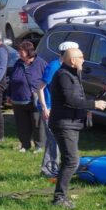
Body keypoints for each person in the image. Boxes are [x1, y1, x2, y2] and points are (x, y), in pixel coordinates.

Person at [49, 48, 106, 208]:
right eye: (81, 57)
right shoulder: (63, 75)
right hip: (64, 123)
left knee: (69, 160)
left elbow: (77, 97)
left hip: (70, 122)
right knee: (71, 161)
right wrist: (94, 104)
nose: (84, 60)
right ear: (72, 60)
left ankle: (60, 196)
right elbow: (70, 100)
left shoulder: (72, 74)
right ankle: (59, 198)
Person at [37, 41, 79, 178]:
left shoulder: (67, 67)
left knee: (59, 139)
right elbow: (40, 88)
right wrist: (45, 107)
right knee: (53, 139)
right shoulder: (54, 67)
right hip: (49, 107)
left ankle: (57, 168)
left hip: (58, 108)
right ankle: (48, 170)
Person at [9, 41, 47, 152]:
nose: (19, 53)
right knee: (22, 124)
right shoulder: (18, 63)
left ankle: (39, 145)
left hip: (34, 99)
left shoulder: (41, 63)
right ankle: (25, 145)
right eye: (19, 51)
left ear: (29, 51)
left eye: (22, 51)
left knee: (37, 123)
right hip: (18, 99)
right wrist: (9, 94)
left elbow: (47, 80)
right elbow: (12, 80)